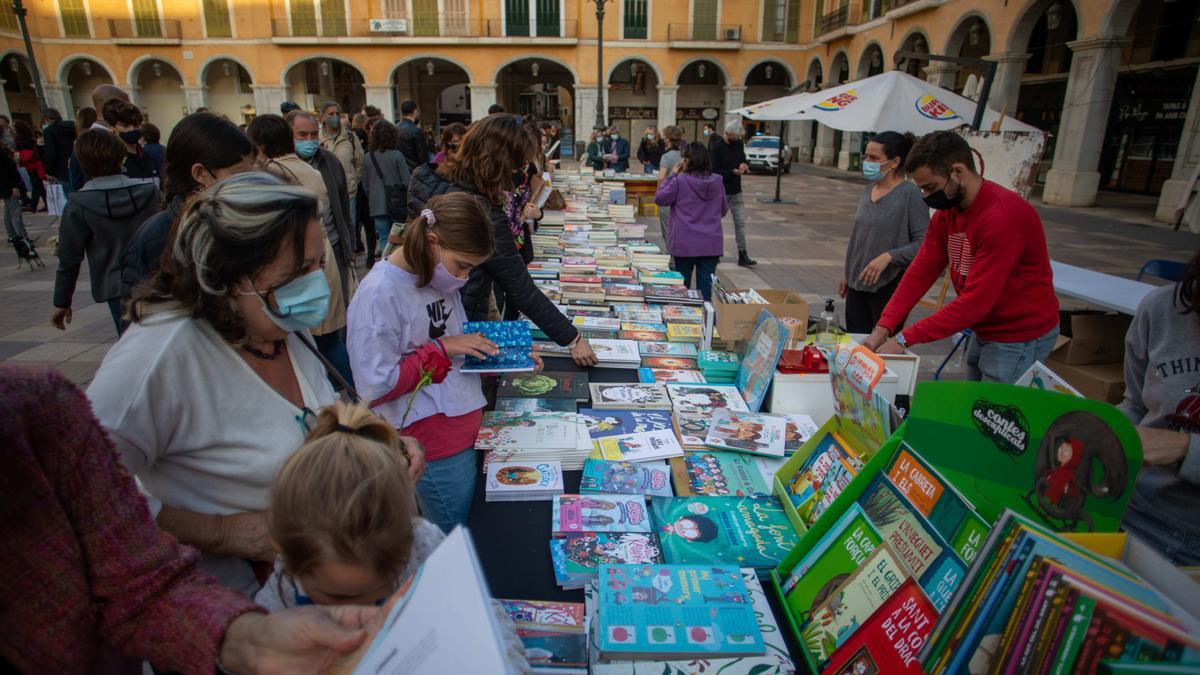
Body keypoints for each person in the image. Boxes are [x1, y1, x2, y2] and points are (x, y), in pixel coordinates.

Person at [89, 172, 426, 596]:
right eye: (298, 271)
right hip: (221, 610)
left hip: (310, 588)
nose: (316, 283)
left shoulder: (278, 325)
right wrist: (223, 531)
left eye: (318, 264)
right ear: (230, 276)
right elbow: (86, 493)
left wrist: (379, 443)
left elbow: (313, 417)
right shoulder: (158, 356)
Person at [0, 366, 383, 674]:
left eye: (316, 266)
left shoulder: (38, 411)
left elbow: (139, 582)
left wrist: (250, 640)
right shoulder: (153, 364)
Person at [253, 401, 531, 673]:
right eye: (335, 596)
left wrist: (507, 664)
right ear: (285, 552)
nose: (357, 614)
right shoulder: (282, 594)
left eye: (378, 590)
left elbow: (485, 613)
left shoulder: (422, 541)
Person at [349, 192, 517, 532]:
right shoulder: (379, 293)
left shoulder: (434, 274)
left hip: (462, 428)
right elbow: (373, 385)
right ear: (431, 241)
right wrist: (442, 350)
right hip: (431, 444)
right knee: (454, 534)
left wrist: (505, 353)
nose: (465, 277)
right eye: (462, 265)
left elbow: (454, 342)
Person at [862, 130, 1059, 382]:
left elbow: (975, 302)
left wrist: (904, 338)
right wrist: (884, 326)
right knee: (976, 407)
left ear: (958, 172)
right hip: (984, 328)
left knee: (996, 414)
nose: (925, 197)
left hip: (1018, 335)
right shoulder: (948, 213)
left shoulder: (1002, 217)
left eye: (930, 187)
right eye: (921, 189)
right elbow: (921, 272)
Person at [407, 114, 598, 366]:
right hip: (458, 319)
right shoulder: (482, 212)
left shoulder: (425, 177)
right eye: (518, 165)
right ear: (500, 162)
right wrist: (573, 338)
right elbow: (520, 288)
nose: (521, 173)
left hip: (417, 316)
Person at [254, 112, 354, 389]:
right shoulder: (307, 169)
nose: (310, 141)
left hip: (302, 262)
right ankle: (350, 393)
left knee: (319, 339)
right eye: (303, 135)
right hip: (322, 257)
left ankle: (343, 392)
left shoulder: (273, 174)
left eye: (313, 134)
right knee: (329, 336)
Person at [1117, 247, 1200, 565]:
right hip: (1131, 511)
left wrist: (1184, 448)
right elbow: (1137, 404)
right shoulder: (1164, 308)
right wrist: (1108, 427)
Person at [120, 112, 256, 302]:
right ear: (200, 174)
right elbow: (141, 313)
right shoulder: (157, 238)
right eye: (239, 175)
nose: (249, 185)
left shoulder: (241, 221)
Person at [52, 130, 159, 334]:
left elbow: (69, 257)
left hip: (114, 285)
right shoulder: (150, 193)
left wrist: (61, 301)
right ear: (121, 158)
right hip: (155, 278)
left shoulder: (78, 204)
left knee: (129, 342)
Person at [840, 131, 929, 334]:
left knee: (880, 347)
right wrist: (849, 272)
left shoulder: (910, 194)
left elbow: (924, 243)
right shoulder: (868, 190)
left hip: (888, 286)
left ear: (894, 162)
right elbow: (859, 237)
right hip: (857, 285)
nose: (866, 162)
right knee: (855, 342)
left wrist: (889, 256)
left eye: (874, 158)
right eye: (866, 156)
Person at [655, 142, 727, 302]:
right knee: (705, 291)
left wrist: (672, 175)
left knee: (682, 290)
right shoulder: (718, 180)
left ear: (687, 160)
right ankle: (707, 324)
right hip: (711, 243)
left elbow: (659, 198)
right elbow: (723, 210)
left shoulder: (680, 180)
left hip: (684, 243)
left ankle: (684, 322)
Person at [363, 119, 411, 262]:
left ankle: (385, 264)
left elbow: (365, 185)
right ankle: (399, 263)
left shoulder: (368, 157)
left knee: (384, 238)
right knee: (400, 238)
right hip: (397, 204)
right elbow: (407, 181)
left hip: (376, 205)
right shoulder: (397, 156)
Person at [710, 119, 756, 267]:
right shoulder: (717, 147)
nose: (737, 139)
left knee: (740, 222)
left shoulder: (738, 144)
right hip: (721, 190)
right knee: (715, 222)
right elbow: (713, 170)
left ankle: (743, 253)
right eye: (735, 136)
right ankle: (714, 252)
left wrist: (744, 164)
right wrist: (731, 172)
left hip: (736, 190)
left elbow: (742, 158)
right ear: (728, 133)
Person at [319, 101, 363, 225]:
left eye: (337, 113)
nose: (335, 117)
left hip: (348, 193)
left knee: (349, 227)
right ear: (322, 117)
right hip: (324, 193)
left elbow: (359, 163)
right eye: (331, 114)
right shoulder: (316, 138)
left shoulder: (350, 137)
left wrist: (353, 180)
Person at [102, 98, 159, 183]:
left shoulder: (148, 156)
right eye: (125, 125)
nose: (132, 129)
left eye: (136, 124)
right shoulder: (110, 162)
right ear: (111, 127)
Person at [657, 125, 686, 248]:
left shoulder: (666, 156)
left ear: (668, 139)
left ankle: (671, 260)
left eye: (664, 137)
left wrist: (659, 192)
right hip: (683, 198)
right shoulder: (685, 155)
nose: (663, 139)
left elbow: (662, 177)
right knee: (679, 232)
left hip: (668, 198)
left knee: (668, 233)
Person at [41, 108, 76, 194]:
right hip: (76, 164)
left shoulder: (49, 131)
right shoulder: (73, 127)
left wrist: (48, 171)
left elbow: (51, 153)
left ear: (47, 119)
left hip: (61, 170)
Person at [13, 120, 44, 212]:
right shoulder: (30, 138)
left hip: (30, 165)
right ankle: (45, 203)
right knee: (39, 186)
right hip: (32, 164)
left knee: (36, 185)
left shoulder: (22, 140)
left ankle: (33, 205)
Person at [0, 143, 28, 247]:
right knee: (15, 212)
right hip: (9, 186)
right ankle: (23, 238)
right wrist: (13, 186)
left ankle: (12, 235)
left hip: (6, 186)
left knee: (8, 211)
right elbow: (4, 171)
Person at [396, 99, 428, 172]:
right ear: (415, 111)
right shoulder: (416, 130)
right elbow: (422, 155)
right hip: (414, 170)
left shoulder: (395, 128)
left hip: (399, 169)